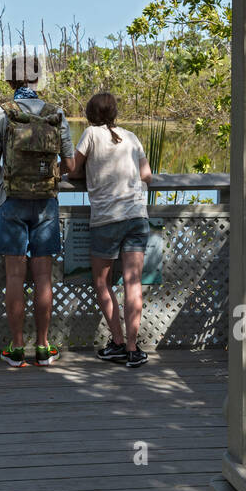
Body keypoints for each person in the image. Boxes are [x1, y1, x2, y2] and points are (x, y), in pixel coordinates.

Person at [0, 52, 74, 367]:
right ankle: (45, 348)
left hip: (11, 202)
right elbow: (71, 164)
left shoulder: (0, 113)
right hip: (46, 203)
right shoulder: (56, 113)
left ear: (10, 80)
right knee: (44, 277)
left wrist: (10, 175)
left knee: (15, 277)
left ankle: (17, 347)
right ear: (37, 79)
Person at [68, 92, 152, 368]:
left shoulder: (91, 134)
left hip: (106, 219)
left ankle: (116, 341)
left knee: (102, 282)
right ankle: (132, 348)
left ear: (91, 114)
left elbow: (72, 169)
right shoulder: (131, 137)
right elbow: (146, 175)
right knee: (133, 283)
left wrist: (90, 173)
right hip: (137, 216)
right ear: (115, 113)